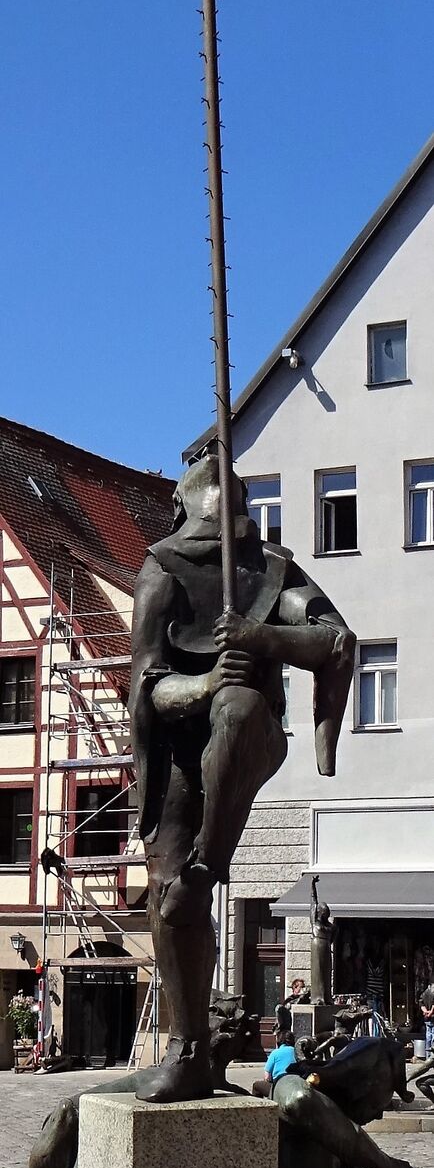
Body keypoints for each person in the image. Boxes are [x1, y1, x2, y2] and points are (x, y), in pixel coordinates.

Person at [129, 453, 356, 1101]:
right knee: (170, 897)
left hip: (247, 734)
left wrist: (261, 637)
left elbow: (335, 640)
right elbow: (146, 684)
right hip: (177, 751)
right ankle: (190, 1048)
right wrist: (202, 682)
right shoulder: (162, 570)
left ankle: (210, 861)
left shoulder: (272, 568)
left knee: (239, 706)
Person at [310, 875, 334, 1004]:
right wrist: (313, 885)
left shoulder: (330, 925)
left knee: (327, 972)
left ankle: (327, 996)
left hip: (326, 946)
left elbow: (333, 938)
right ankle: (318, 997)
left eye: (327, 912)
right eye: (324, 912)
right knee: (318, 971)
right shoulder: (315, 921)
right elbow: (313, 901)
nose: (325, 914)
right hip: (317, 945)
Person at [252, 1030, 297, 1099]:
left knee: (256, 1086)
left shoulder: (275, 1053)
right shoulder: (297, 1053)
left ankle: (260, 1104)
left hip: (279, 1087)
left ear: (278, 1041)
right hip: (295, 1085)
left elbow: (267, 1076)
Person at [420, 982, 434, 1055]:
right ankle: (432, 1056)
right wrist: (431, 1012)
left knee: (428, 1036)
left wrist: (425, 1012)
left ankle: (428, 1055)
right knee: (433, 1037)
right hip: (432, 1016)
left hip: (427, 1018)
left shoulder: (424, 993)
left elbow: (421, 1004)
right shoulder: (433, 992)